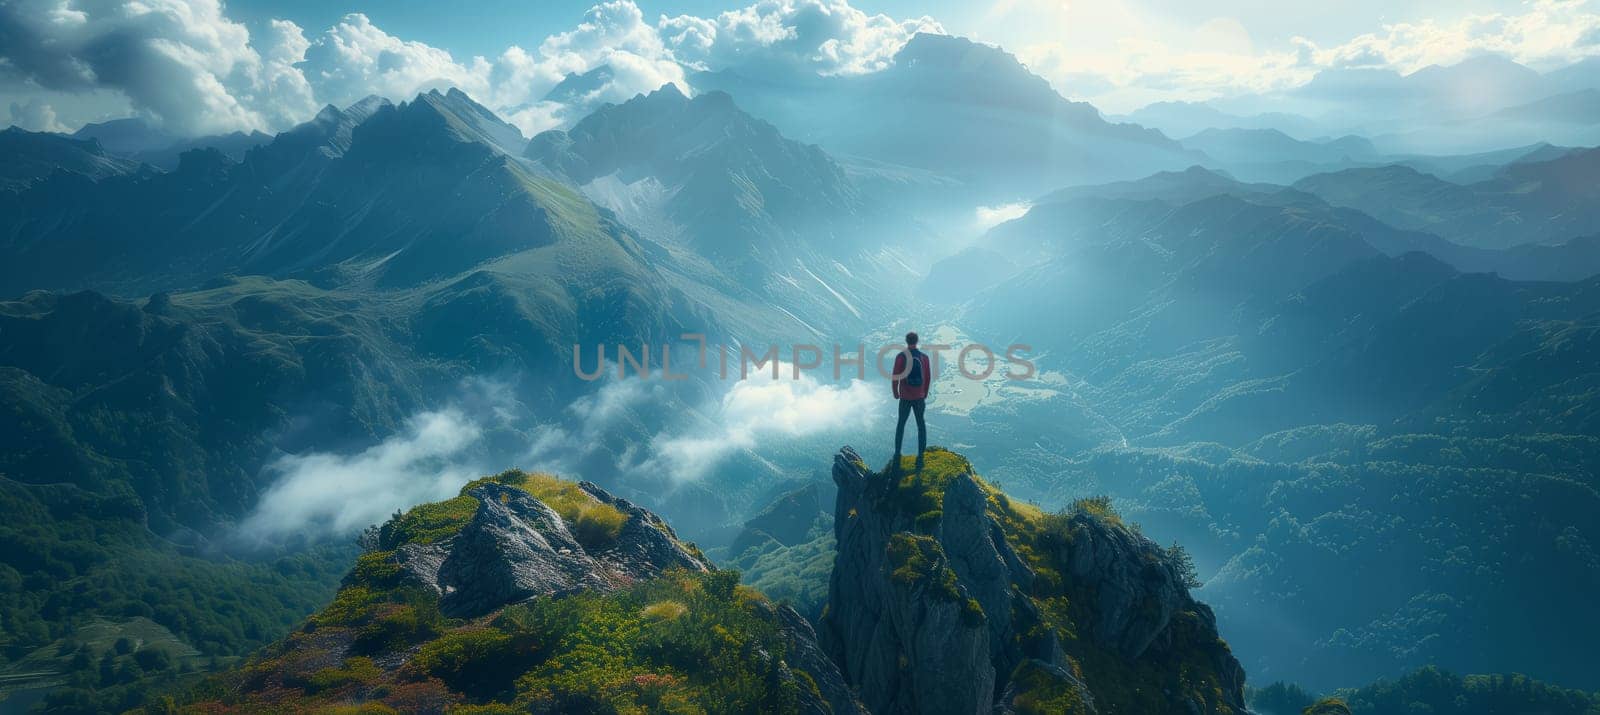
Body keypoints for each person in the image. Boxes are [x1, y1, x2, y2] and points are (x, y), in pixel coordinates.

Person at [891, 331, 932, 468]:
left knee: (901, 424)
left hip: (905, 397)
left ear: (906, 341)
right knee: (921, 425)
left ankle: (897, 453)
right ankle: (921, 455)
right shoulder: (924, 357)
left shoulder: (901, 357)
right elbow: (928, 377)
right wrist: (924, 393)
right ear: (917, 341)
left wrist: (895, 392)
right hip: (919, 397)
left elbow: (895, 376)